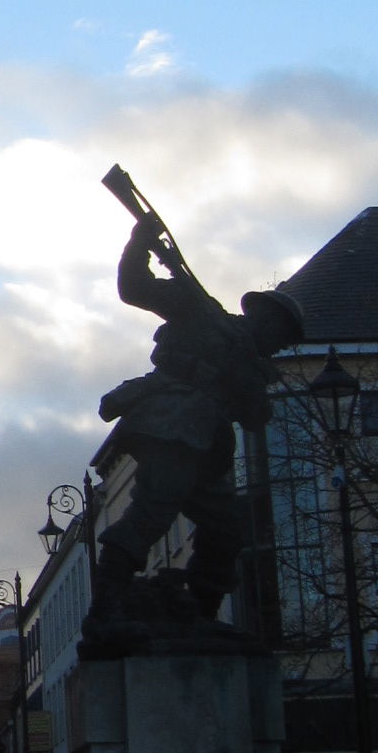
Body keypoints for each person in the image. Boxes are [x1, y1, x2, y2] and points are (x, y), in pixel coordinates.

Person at [95, 215, 305, 619]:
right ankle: (107, 603)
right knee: (152, 512)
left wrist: (247, 373)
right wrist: (141, 240)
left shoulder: (251, 361)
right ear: (267, 320)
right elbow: (133, 288)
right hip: (171, 424)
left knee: (227, 533)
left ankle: (200, 612)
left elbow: (256, 416)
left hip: (204, 450)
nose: (279, 348)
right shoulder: (201, 311)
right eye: (282, 337)